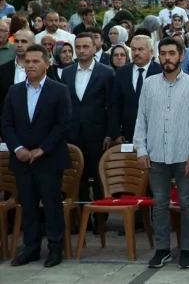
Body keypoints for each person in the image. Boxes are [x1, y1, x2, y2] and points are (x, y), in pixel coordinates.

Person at [134, 37, 189, 269]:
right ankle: (162, 249)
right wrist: (141, 150)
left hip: (184, 154)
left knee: (187, 203)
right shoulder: (149, 84)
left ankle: (187, 250)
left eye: (172, 53)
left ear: (181, 56)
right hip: (156, 153)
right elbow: (141, 120)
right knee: (160, 203)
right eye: (163, 53)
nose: (167, 58)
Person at [3, 44, 71, 268]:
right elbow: (7, 124)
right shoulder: (14, 91)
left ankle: (54, 249)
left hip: (49, 159)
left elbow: (62, 125)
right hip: (21, 159)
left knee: (51, 206)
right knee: (28, 205)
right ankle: (30, 249)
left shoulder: (59, 90)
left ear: (47, 64)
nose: (30, 65)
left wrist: (42, 149)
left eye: (35, 61)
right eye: (27, 62)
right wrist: (18, 148)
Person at [61, 33, 116, 232]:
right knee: (79, 178)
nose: (82, 50)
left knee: (99, 177)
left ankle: (101, 219)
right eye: (79, 46)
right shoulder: (66, 73)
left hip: (98, 134)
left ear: (94, 48)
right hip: (74, 134)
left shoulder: (107, 72)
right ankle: (82, 217)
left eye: (86, 46)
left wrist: (110, 133)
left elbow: (112, 104)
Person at [110, 36, 162, 144]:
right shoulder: (121, 73)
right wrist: (116, 134)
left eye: (141, 49)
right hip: (127, 136)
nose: (136, 53)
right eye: (133, 49)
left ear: (151, 51)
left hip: (157, 135)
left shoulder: (161, 72)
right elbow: (114, 105)